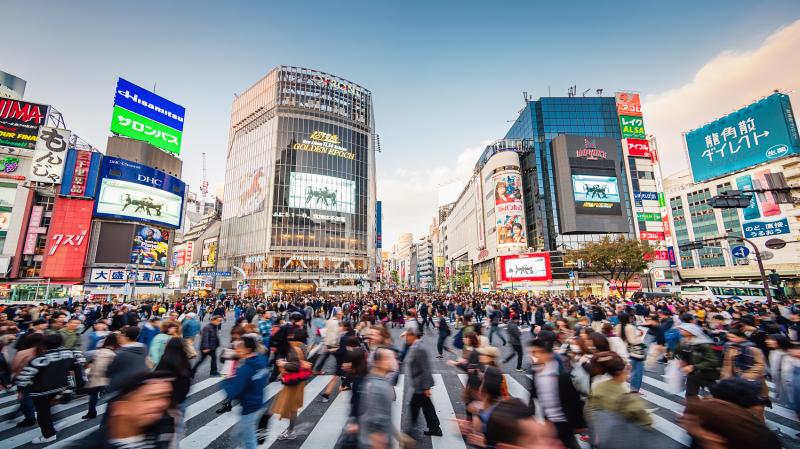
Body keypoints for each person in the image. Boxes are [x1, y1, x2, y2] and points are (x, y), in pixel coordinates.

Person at [66, 372, 176, 449]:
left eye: (164, 397)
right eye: (149, 399)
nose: (161, 404)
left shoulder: (164, 428)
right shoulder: (89, 445)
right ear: (121, 407)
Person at [16, 333, 86, 444]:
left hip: (41, 390)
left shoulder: (39, 358)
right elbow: (78, 368)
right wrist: (79, 386)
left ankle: (49, 435)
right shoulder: (71, 353)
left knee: (43, 413)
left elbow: (25, 376)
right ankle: (56, 424)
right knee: (51, 406)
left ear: (44, 344)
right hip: (61, 386)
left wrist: (20, 390)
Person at [527, 338, 586, 449]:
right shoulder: (536, 372)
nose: (534, 356)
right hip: (549, 422)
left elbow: (574, 400)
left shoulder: (561, 376)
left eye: (537, 352)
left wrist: (579, 425)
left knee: (571, 444)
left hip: (564, 422)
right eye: (532, 353)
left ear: (548, 354)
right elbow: (533, 394)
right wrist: (530, 416)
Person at [587, 351, 652, 439]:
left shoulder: (596, 387)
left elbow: (588, 412)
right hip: (621, 439)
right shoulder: (626, 396)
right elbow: (646, 420)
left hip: (601, 436)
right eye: (627, 368)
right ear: (621, 371)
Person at [223, 335, 267, 449]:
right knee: (243, 435)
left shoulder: (245, 370)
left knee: (244, 438)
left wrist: (226, 379)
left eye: (239, 348)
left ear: (247, 349)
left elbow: (232, 392)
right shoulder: (261, 361)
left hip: (249, 407)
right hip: (258, 403)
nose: (236, 350)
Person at [404, 328, 442, 437]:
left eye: (407, 336)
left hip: (420, 384)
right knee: (427, 406)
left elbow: (426, 368)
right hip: (419, 384)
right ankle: (435, 428)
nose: (406, 339)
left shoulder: (419, 348)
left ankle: (411, 431)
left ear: (413, 336)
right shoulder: (415, 346)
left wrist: (426, 388)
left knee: (414, 407)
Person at [359, 347, 398, 449]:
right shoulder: (377, 387)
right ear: (378, 363)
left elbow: (383, 416)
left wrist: (399, 436)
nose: (394, 361)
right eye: (389, 358)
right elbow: (377, 424)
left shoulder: (381, 381)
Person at [674, 323, 721, 397]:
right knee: (690, 394)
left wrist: (693, 367)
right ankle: (693, 407)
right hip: (692, 373)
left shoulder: (705, 344)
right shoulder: (683, 341)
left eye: (683, 329)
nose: (680, 330)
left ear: (691, 332)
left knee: (717, 394)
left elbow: (713, 361)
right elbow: (678, 353)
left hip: (706, 373)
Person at [83, 333, 119, 420]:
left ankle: (92, 412)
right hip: (106, 377)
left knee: (94, 395)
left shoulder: (100, 349)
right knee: (106, 396)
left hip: (97, 376)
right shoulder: (115, 352)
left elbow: (89, 358)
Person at [106, 326, 149, 394]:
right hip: (140, 384)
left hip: (122, 388)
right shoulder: (143, 348)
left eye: (120, 335)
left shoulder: (121, 353)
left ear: (126, 337)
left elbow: (109, 372)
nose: (118, 337)